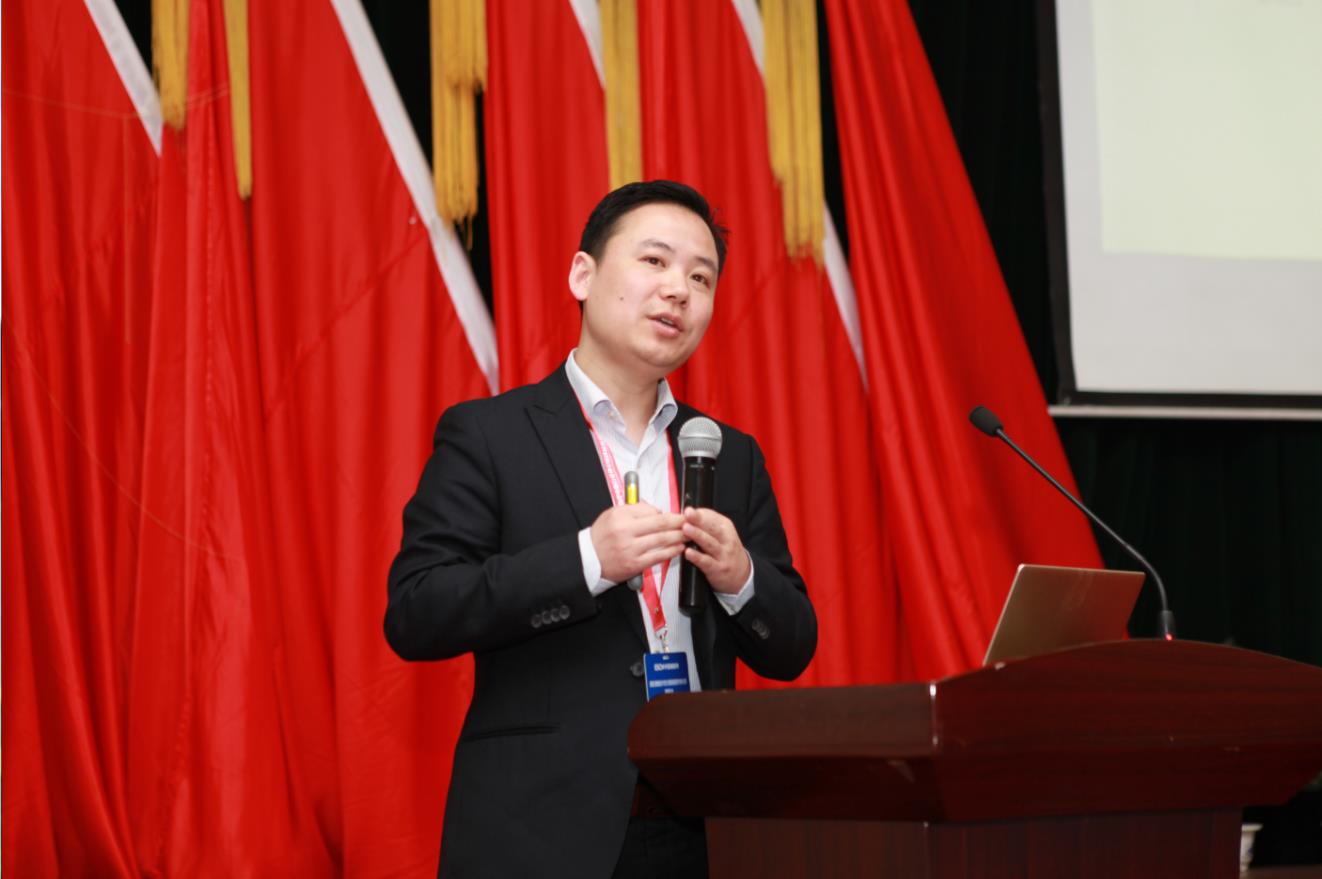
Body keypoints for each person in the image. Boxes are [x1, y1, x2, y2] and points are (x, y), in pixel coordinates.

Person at [385, 180, 817, 879]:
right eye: (655, 261)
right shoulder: (491, 434)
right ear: (582, 275)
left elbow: (792, 646)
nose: (678, 290)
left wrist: (741, 578)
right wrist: (587, 559)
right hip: (541, 829)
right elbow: (418, 609)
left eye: (701, 278)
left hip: (697, 824)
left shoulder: (727, 453)